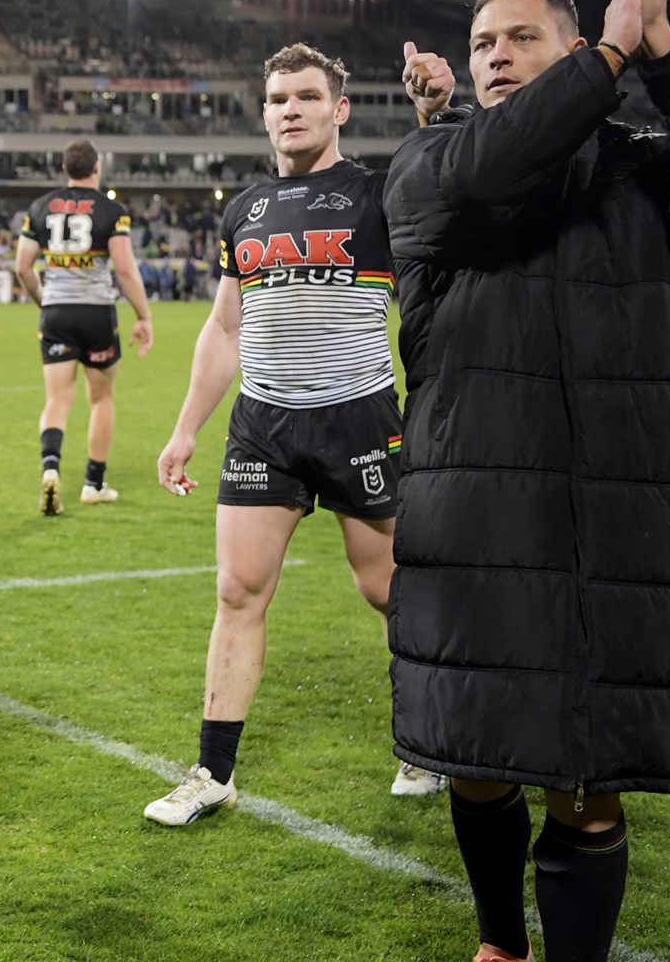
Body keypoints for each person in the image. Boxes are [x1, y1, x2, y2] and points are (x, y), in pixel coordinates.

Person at [384, 0, 670, 962]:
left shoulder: (637, 175)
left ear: (571, 42)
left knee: (588, 782)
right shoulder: (430, 163)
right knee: (479, 758)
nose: (496, 54)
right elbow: (496, 167)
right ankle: (501, 942)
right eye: (482, 42)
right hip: (476, 522)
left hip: (608, 525)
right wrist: (608, 61)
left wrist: (664, 46)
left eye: (522, 37)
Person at [144, 41, 454, 827]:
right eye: (279, 99)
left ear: (339, 109)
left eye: (308, 97)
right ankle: (213, 773)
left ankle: (429, 742)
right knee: (237, 591)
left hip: (359, 415)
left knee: (388, 588)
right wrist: (185, 430)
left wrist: (432, 116)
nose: (292, 110)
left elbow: (450, 187)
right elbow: (225, 328)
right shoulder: (243, 210)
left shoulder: (378, 195)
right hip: (263, 427)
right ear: (264, 113)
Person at [14, 138, 153, 516]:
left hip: (56, 312)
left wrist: (44, 300)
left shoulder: (40, 207)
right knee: (101, 399)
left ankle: (50, 470)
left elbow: (23, 267)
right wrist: (143, 316)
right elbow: (125, 269)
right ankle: (93, 484)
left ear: (64, 169)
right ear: (97, 168)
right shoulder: (112, 211)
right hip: (96, 313)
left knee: (57, 400)